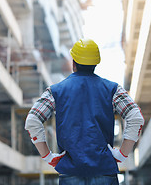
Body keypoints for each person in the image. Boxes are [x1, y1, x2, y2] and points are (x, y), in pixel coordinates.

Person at [25, 38, 144, 185]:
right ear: (96, 63)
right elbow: (136, 118)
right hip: (105, 172)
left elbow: (32, 120)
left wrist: (48, 156)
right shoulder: (113, 89)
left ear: (74, 62)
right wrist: (122, 154)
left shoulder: (55, 91)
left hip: (70, 173)